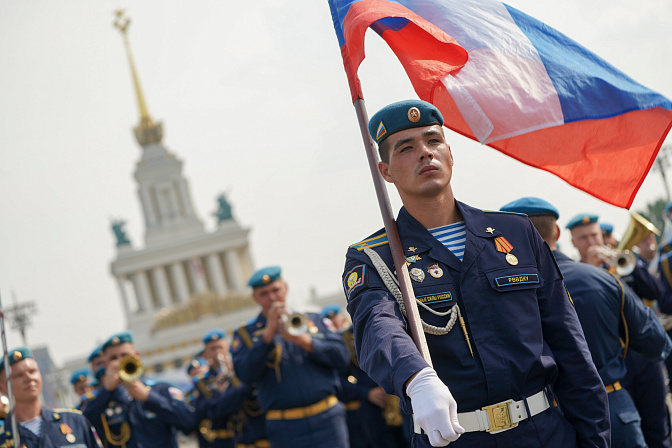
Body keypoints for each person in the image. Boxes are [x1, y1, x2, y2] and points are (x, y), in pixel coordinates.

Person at [342, 100, 609, 448]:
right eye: (406, 148)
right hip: (455, 439)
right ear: (386, 170)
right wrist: (416, 377)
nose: (425, 153)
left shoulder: (515, 234)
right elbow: (378, 330)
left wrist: (595, 440)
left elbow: (570, 346)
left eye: (433, 141)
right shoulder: (373, 257)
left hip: (544, 434)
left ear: (450, 154)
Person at [501, 197, 672, 448]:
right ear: (558, 232)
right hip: (614, 407)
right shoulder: (601, 279)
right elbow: (657, 344)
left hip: (550, 419)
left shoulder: (502, 295)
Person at [568, 213, 671, 448]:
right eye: (583, 238)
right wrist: (593, 274)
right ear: (573, 242)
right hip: (611, 367)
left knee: (658, 428)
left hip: (643, 358)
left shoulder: (625, 263)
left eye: (595, 235)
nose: (591, 241)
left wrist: (629, 269)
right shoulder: (574, 275)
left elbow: (655, 292)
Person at [231, 266, 350, 448]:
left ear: (285, 288)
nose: (271, 298)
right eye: (264, 294)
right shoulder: (245, 335)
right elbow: (245, 375)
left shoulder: (314, 320)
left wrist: (306, 342)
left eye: (275, 290)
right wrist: (267, 336)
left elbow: (342, 359)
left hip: (327, 418)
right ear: (255, 298)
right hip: (285, 427)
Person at [80, 330, 196, 448]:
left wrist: (149, 397)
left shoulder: (160, 389)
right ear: (105, 364)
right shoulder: (97, 399)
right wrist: (106, 392)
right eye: (114, 358)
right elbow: (81, 428)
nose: (120, 361)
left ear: (136, 356)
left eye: (125, 356)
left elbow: (188, 423)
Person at [323, 304, 407, 448]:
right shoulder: (343, 339)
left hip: (398, 399)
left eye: (336, 316)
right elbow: (338, 380)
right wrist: (366, 393)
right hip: (371, 408)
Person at [0, 346, 103, 448]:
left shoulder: (74, 421)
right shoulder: (2, 437)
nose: (29, 378)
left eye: (32, 371)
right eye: (18, 375)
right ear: (2, 388)